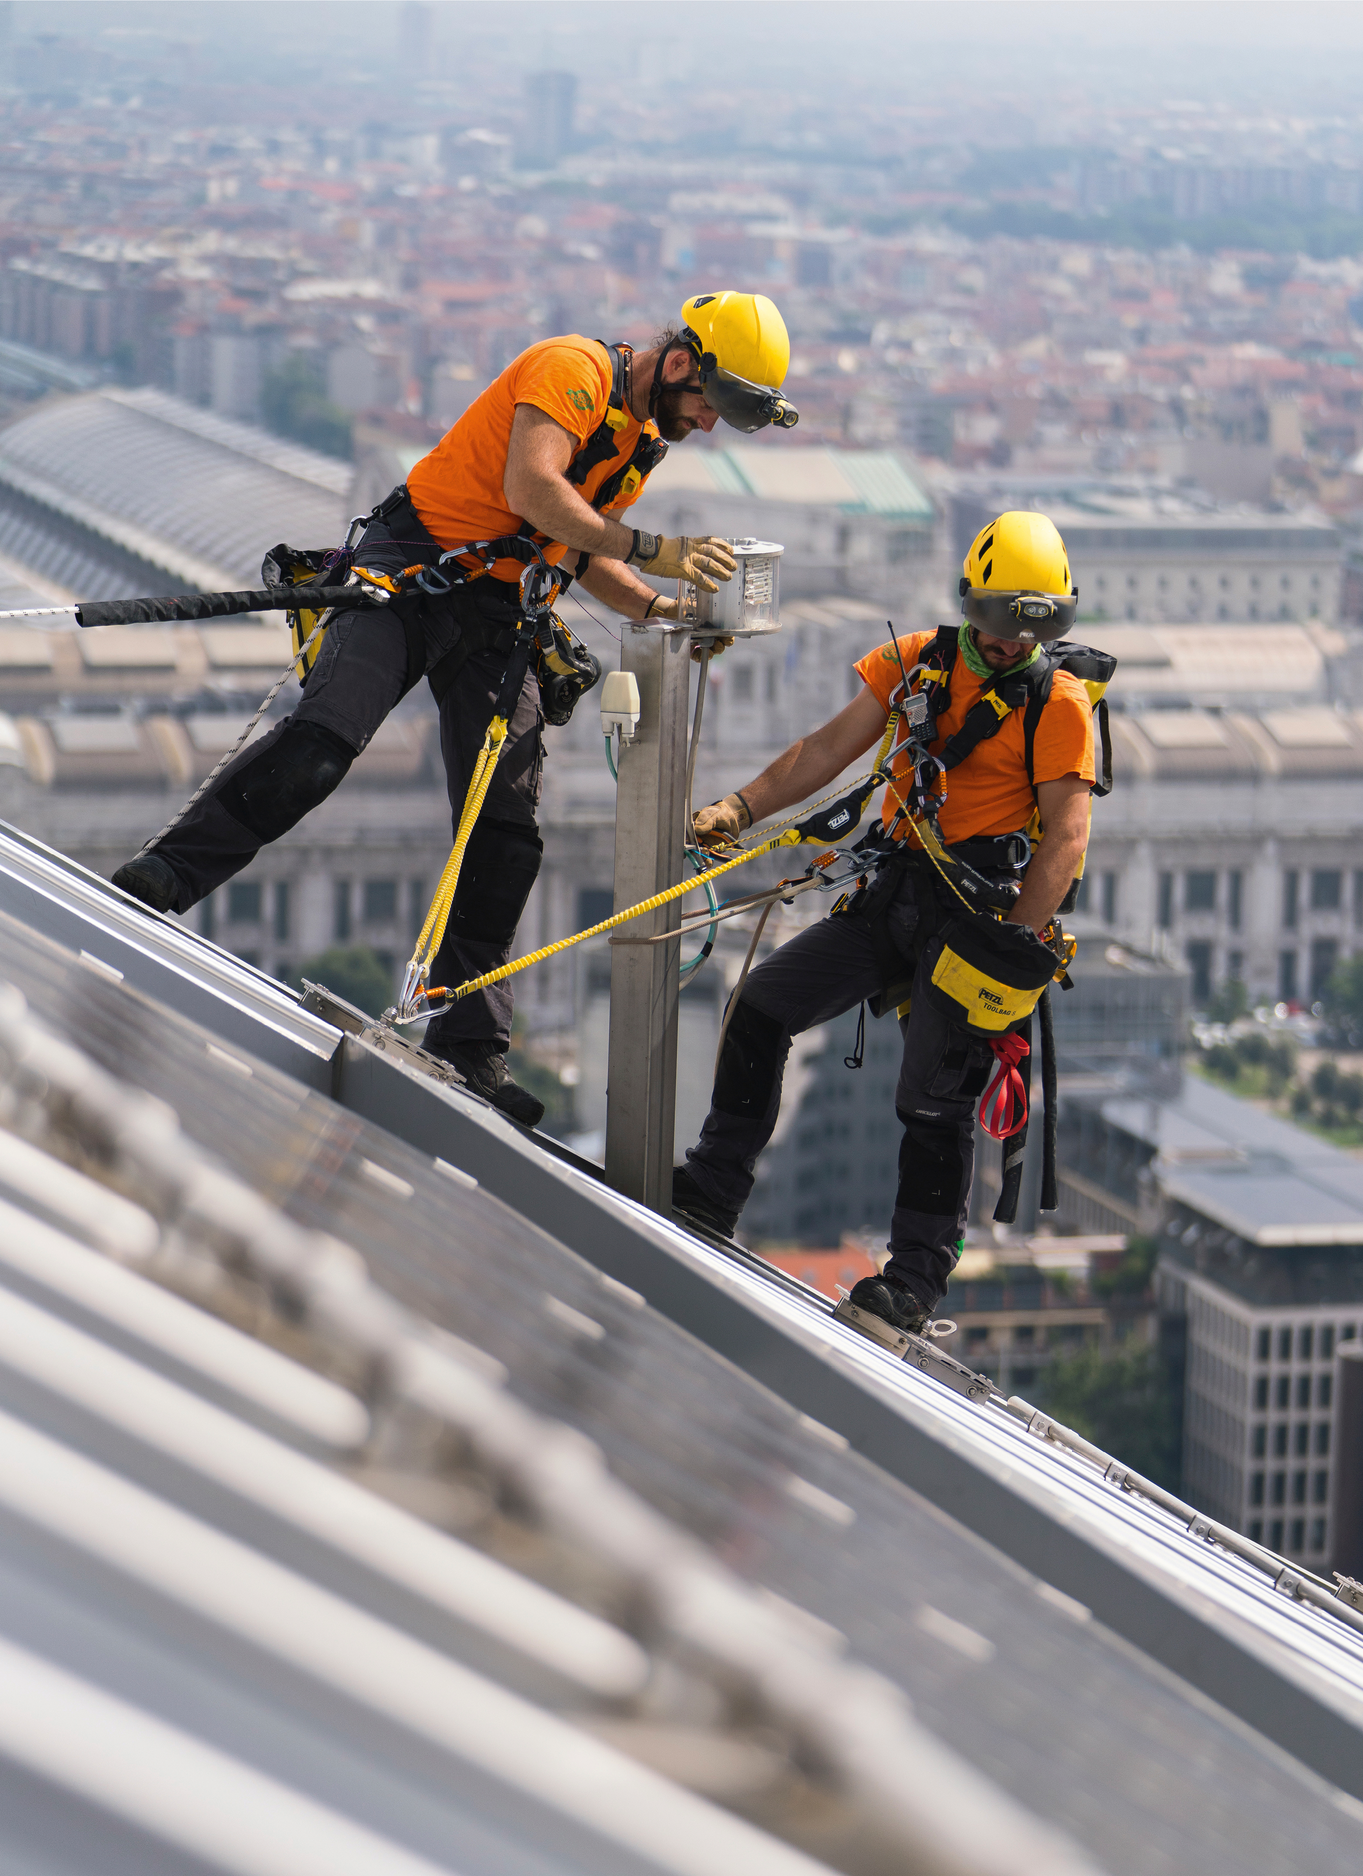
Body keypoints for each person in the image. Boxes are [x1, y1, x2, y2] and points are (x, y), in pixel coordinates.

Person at [111, 292, 798, 1125]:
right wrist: (657, 552)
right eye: (708, 405)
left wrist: (658, 608)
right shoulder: (572, 372)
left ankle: (469, 1039)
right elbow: (534, 488)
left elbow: (578, 540)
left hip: (497, 611)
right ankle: (166, 876)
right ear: (684, 363)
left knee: (507, 835)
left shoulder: (640, 441)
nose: (708, 425)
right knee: (322, 747)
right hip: (414, 571)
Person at [673, 510, 1097, 1336]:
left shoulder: (1059, 705)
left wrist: (1007, 950)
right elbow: (826, 749)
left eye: (1028, 630)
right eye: (1000, 626)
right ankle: (713, 1187)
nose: (1011, 644)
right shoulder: (916, 668)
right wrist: (740, 807)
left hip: (978, 920)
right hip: (895, 891)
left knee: (934, 1100)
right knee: (760, 1007)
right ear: (971, 606)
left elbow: (1066, 840)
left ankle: (913, 1280)